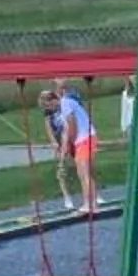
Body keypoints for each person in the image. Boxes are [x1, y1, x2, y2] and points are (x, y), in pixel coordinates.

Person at [40, 84, 99, 215]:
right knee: (81, 173)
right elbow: (66, 131)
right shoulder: (63, 107)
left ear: (53, 100)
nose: (50, 109)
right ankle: (90, 203)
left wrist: (70, 143)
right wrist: (64, 148)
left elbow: (72, 124)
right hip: (81, 140)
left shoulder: (65, 103)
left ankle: (91, 204)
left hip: (85, 138)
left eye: (49, 105)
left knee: (84, 173)